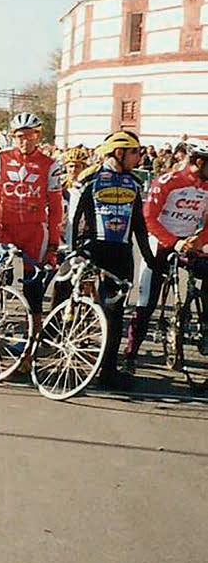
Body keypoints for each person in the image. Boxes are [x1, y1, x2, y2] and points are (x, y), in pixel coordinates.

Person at [64, 130, 160, 390]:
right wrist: (74, 251)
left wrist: (150, 259)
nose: (139, 157)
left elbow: (139, 224)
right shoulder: (90, 179)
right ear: (119, 152)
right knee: (77, 300)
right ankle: (63, 352)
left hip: (122, 253)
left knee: (115, 313)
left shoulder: (134, 183)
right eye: (134, 152)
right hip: (94, 250)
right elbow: (75, 218)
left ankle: (107, 371)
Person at [0, 112, 63, 336]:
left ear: (38, 136)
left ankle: (35, 332)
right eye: (20, 136)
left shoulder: (50, 164)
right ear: (13, 136)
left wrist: (53, 244)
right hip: (5, 227)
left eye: (30, 136)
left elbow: (56, 207)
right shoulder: (2, 158)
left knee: (32, 285)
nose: (24, 141)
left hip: (34, 231)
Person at [124, 139, 208, 366]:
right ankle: (131, 355)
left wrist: (200, 239)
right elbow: (148, 218)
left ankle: (204, 325)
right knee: (147, 302)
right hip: (160, 243)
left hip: (189, 243)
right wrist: (173, 242)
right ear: (200, 163)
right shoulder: (168, 181)